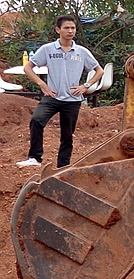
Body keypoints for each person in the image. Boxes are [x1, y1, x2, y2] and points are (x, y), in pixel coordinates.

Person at [15, 15, 103, 169]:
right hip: (52, 96)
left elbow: (99, 71)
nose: (70, 31)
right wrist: (42, 84)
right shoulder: (47, 49)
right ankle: (35, 157)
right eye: (66, 28)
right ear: (58, 30)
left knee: (67, 135)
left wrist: (85, 86)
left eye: (73, 28)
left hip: (72, 99)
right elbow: (28, 68)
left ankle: (63, 166)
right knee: (36, 120)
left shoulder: (81, 52)